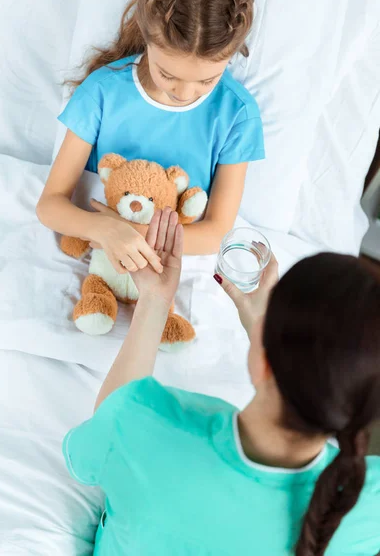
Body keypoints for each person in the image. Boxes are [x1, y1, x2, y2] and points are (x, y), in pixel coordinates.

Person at [63, 208, 380, 556]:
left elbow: (98, 441)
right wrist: (264, 328)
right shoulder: (369, 504)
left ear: (262, 358)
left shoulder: (147, 425)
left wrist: (154, 299)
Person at [36, 0, 264, 274]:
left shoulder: (237, 114)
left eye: (206, 81)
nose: (185, 93)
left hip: (173, 266)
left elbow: (217, 231)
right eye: (167, 74)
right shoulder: (103, 91)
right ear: (147, 37)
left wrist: (133, 235)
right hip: (93, 256)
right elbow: (50, 205)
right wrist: (104, 230)